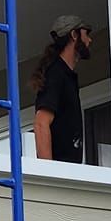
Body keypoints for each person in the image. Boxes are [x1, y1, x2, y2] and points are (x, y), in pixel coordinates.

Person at [31, 14, 93, 162]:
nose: (89, 40)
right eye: (86, 34)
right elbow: (41, 123)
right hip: (59, 170)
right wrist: (48, 172)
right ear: (74, 35)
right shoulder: (56, 74)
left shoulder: (65, 75)